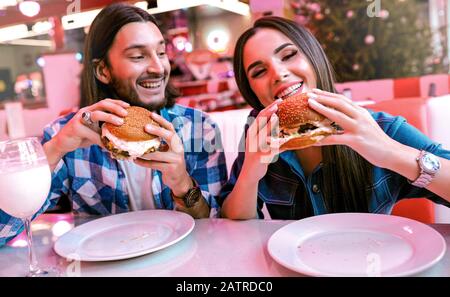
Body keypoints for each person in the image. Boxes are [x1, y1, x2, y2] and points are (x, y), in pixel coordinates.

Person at [0, 3, 227, 246]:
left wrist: (182, 184)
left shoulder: (199, 128)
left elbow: (216, 232)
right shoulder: (64, 135)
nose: (158, 67)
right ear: (103, 70)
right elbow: (4, 232)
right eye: (138, 56)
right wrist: (54, 150)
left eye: (161, 53)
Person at [219, 16, 450, 220]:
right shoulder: (258, 136)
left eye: (288, 55)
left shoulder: (381, 127)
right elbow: (234, 221)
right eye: (259, 72)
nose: (278, 74)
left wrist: (389, 152)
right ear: (253, 92)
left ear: (314, 57)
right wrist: (250, 172)